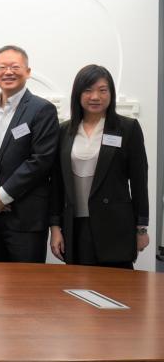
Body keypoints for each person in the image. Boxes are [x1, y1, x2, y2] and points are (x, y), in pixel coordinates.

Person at [49, 65, 149, 268]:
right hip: (75, 225)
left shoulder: (127, 128)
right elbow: (56, 184)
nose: (95, 96)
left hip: (115, 226)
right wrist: (55, 227)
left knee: (117, 292)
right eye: (88, 90)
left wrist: (141, 228)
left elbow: (140, 182)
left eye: (102, 90)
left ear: (111, 93)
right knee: (78, 291)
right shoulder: (64, 131)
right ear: (78, 94)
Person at [0, 45, 59, 263]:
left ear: (28, 72)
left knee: (27, 289)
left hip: (25, 219)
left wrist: (4, 194)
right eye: (2, 67)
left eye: (15, 67)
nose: (8, 72)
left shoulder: (42, 110)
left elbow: (40, 160)